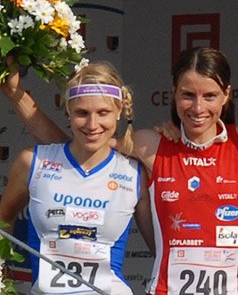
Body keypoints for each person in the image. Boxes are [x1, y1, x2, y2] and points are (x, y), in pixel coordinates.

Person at [0, 43, 238, 293]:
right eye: (188, 95)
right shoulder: (152, 144)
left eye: (209, 96)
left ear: (227, 96)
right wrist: (16, 94)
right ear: (173, 94)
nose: (198, 107)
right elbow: (75, 143)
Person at [0, 62, 154, 294]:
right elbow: (3, 223)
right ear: (68, 113)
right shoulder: (33, 163)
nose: (93, 125)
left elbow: (163, 251)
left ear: (119, 111)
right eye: (82, 113)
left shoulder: (134, 174)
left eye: (103, 113)